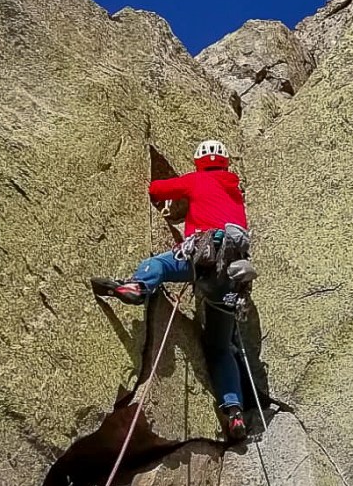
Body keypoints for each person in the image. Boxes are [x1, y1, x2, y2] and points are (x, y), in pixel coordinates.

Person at [92, 139, 256, 441]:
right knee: (221, 349)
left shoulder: (198, 179)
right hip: (232, 275)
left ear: (198, 162)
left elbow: (158, 190)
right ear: (226, 162)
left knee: (160, 265)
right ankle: (234, 412)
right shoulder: (235, 190)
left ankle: (139, 286)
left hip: (202, 255)